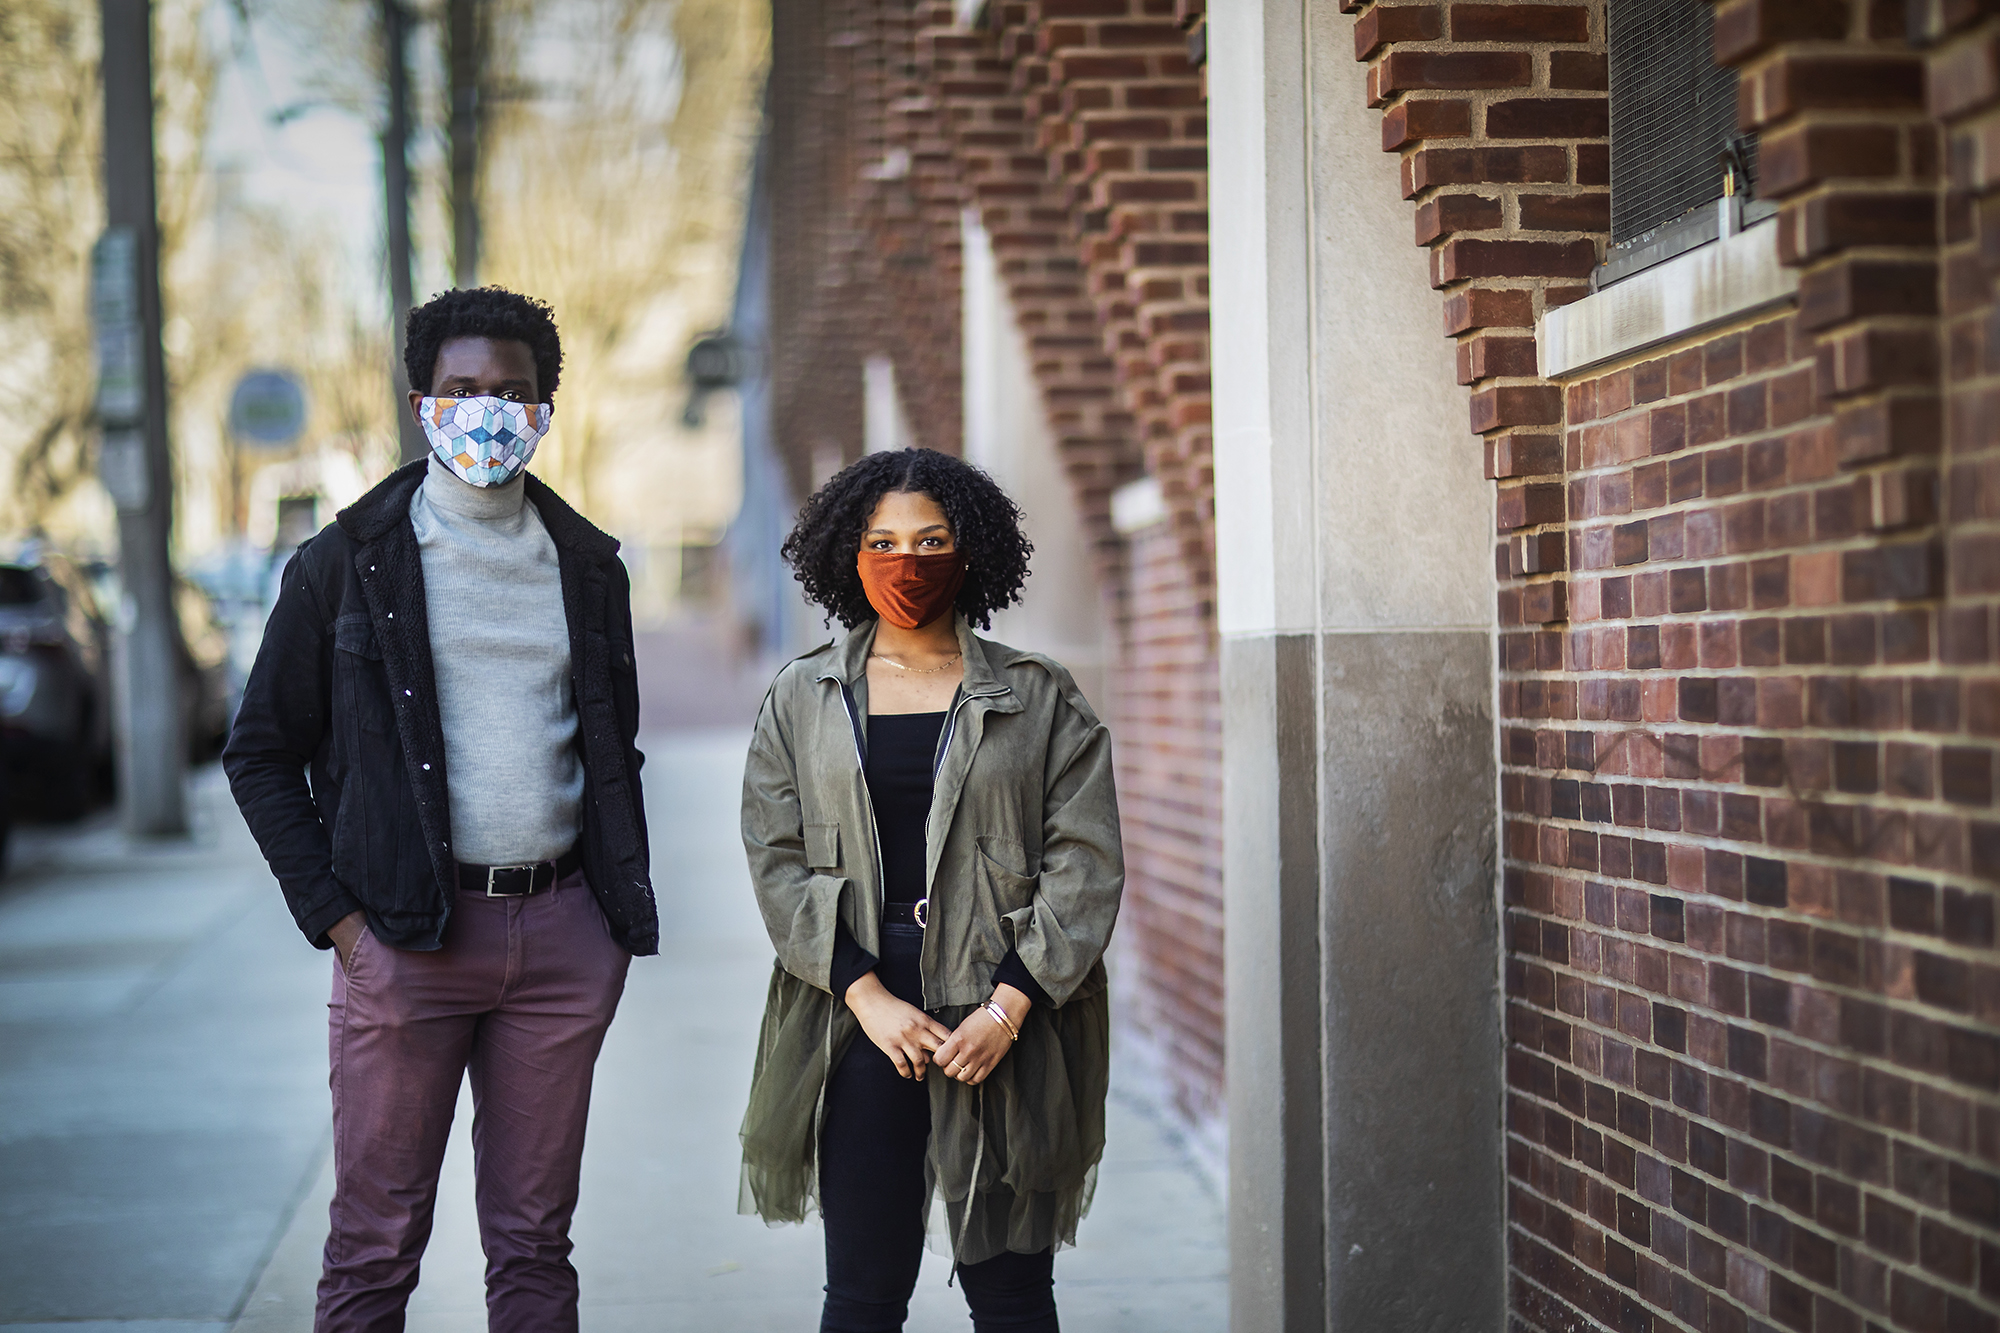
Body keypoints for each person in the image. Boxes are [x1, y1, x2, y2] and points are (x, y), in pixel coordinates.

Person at [223, 287, 655, 1332]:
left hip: (558, 940)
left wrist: (604, 917)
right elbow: (261, 752)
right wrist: (343, 924)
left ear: (545, 412)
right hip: (405, 937)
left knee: (533, 1245)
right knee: (375, 1244)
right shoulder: (343, 564)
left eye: (512, 393)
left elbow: (611, 745)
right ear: (425, 404)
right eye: (463, 390)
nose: (488, 412)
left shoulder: (588, 566)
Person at [738, 447, 1124, 1333]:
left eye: (931, 539)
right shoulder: (802, 697)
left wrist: (1007, 1009)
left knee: (1014, 1295)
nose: (906, 563)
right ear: (847, 553)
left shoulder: (1038, 696)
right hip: (861, 1013)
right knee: (864, 1295)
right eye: (882, 541)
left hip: (1001, 1011)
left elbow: (1086, 861)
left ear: (970, 550)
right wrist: (864, 992)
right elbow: (776, 858)